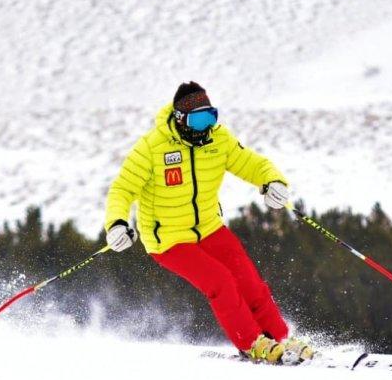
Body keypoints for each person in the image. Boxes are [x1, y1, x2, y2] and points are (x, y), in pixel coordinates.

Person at [104, 81, 313, 364]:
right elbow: (122, 189)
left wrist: (272, 181)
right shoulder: (151, 148)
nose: (206, 126)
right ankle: (252, 344)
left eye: (211, 117)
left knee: (249, 281)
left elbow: (252, 163)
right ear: (180, 120)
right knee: (221, 282)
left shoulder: (218, 139)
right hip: (168, 239)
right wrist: (117, 223)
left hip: (209, 228)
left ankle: (279, 338)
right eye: (199, 119)